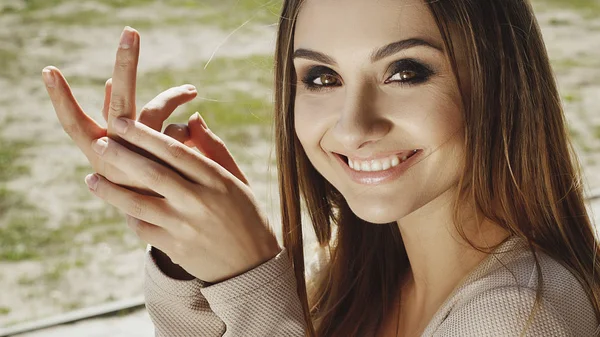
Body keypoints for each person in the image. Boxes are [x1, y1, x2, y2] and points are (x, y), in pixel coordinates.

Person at [42, 0, 600, 336]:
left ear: (502, 81)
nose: (354, 127)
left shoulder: (520, 319)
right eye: (321, 78)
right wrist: (192, 255)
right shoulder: (366, 272)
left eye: (405, 72)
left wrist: (249, 276)